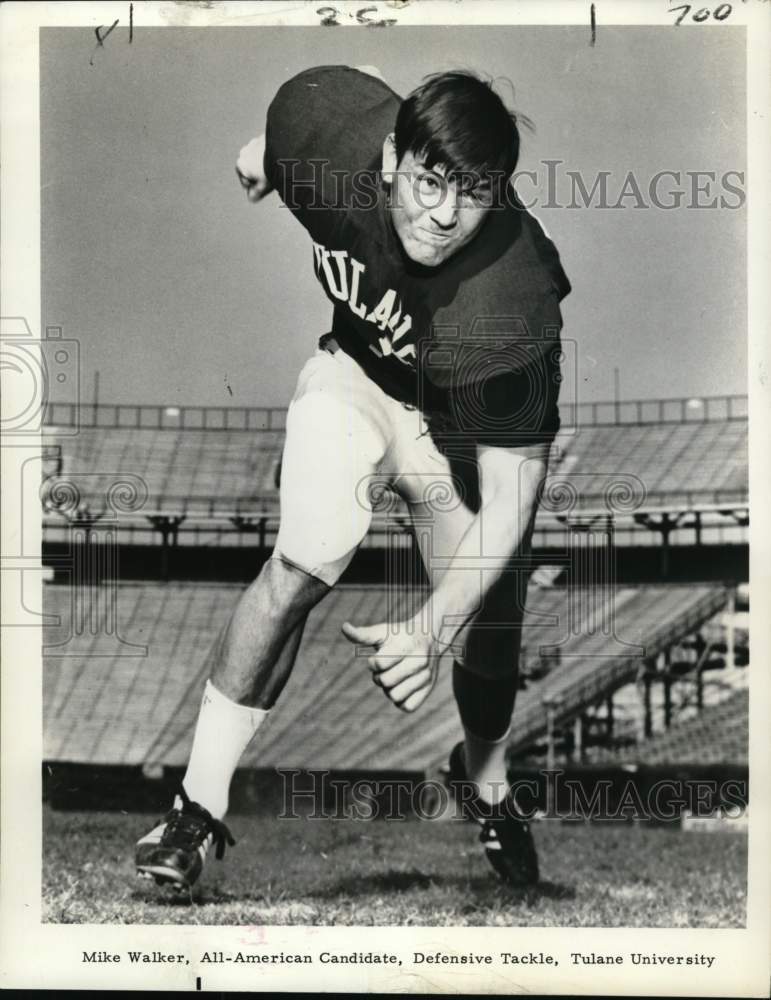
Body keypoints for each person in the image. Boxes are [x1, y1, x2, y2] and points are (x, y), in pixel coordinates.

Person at [135, 65, 571, 891]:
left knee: (488, 623)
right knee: (308, 550)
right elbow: (290, 136)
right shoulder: (325, 141)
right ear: (385, 159)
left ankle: (485, 783)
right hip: (355, 379)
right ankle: (194, 810)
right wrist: (269, 156)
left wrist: (434, 623)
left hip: (452, 436)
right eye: (428, 180)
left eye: (474, 192)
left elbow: (516, 488)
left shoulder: (513, 296)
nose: (444, 214)